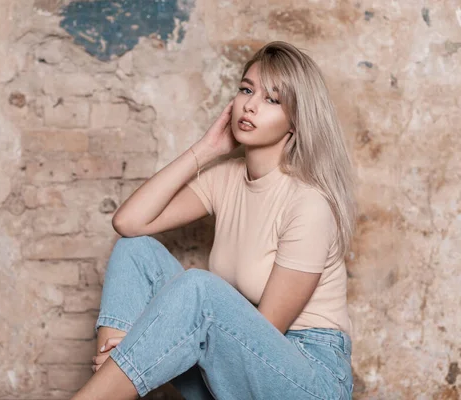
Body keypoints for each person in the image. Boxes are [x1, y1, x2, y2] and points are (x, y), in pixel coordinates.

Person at [72, 41, 356, 400]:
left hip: (308, 375)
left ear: (295, 123)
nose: (250, 105)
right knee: (136, 251)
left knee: (200, 291)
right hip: (239, 360)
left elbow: (264, 334)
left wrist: (141, 352)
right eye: (246, 89)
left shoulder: (309, 204)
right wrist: (206, 150)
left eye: (272, 99)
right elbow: (129, 223)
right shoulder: (225, 177)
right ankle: (112, 387)